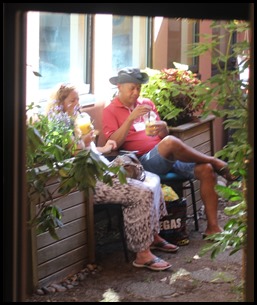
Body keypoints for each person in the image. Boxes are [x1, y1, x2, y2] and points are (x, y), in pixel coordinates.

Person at [46, 82, 179, 272]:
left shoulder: (78, 119)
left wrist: (105, 147)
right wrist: (83, 143)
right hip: (89, 180)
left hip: (102, 168)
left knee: (152, 179)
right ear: (60, 103)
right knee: (141, 193)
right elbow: (73, 157)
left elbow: (93, 151)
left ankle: (152, 235)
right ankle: (142, 254)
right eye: (72, 100)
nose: (77, 103)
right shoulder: (59, 127)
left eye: (78, 99)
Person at [102, 67, 239, 237]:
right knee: (171, 143)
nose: (136, 92)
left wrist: (163, 128)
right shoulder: (110, 111)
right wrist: (130, 119)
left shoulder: (147, 103)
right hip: (141, 163)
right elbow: (114, 144)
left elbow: (163, 135)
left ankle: (212, 228)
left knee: (206, 170)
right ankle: (214, 160)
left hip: (165, 156)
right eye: (132, 88)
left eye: (139, 87)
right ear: (120, 87)